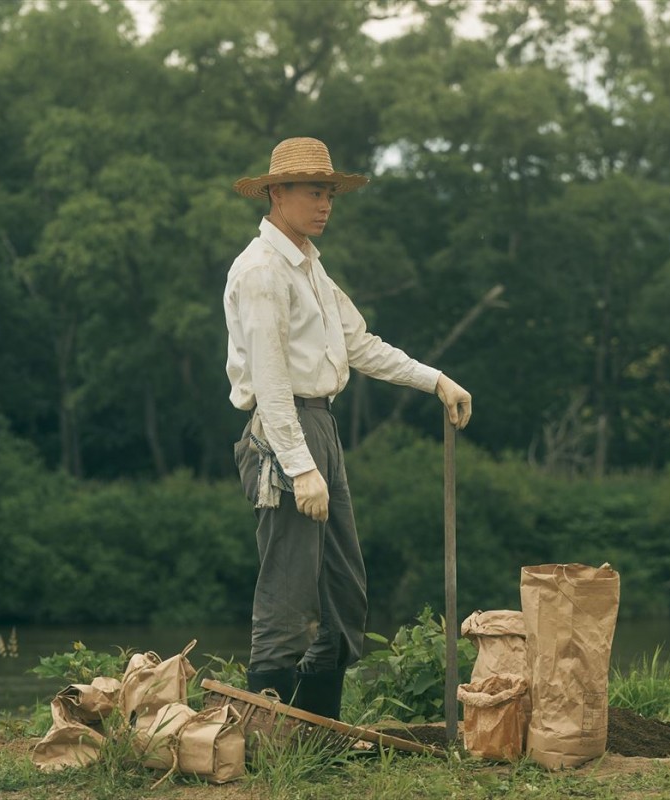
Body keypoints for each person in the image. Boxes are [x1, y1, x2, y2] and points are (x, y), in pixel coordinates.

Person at [224, 137, 472, 720]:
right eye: (314, 191)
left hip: (321, 427)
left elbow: (358, 343)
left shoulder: (309, 264)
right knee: (289, 590)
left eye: (330, 192)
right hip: (284, 433)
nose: (325, 203)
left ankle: (319, 733)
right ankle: (270, 742)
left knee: (343, 590)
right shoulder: (261, 271)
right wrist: (299, 466)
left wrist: (434, 379)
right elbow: (270, 378)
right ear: (277, 194)